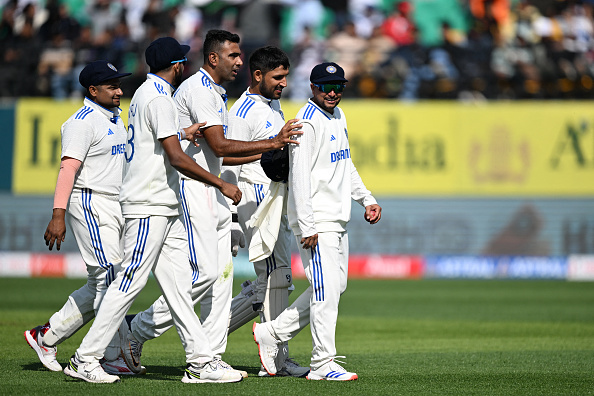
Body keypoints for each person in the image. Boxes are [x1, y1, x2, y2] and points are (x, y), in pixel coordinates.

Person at [120, 30, 301, 377]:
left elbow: (222, 154)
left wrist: (267, 152)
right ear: (214, 58)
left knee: (221, 279)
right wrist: (272, 143)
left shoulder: (215, 93)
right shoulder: (200, 90)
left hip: (213, 190)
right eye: (233, 55)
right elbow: (219, 147)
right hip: (193, 188)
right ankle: (138, 329)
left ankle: (210, 357)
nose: (239, 62)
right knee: (203, 275)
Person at [64, 36, 243, 384]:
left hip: (162, 203)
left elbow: (164, 144)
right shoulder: (159, 98)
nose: (185, 66)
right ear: (176, 66)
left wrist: (187, 131)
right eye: (183, 62)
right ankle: (85, 359)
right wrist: (219, 182)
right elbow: (175, 157)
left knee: (185, 284)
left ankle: (200, 362)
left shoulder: (151, 95)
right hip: (148, 203)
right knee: (129, 282)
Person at [252, 62, 382, 381]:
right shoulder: (306, 123)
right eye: (326, 86)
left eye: (339, 86)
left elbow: (344, 162)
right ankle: (323, 363)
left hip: (337, 218)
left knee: (335, 288)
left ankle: (272, 333)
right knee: (324, 293)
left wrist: (366, 198)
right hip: (317, 222)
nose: (333, 92)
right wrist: (306, 226)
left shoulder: (338, 116)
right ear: (313, 88)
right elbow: (298, 178)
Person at [24, 60, 138, 376]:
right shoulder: (82, 122)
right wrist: (57, 214)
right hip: (89, 201)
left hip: (114, 205)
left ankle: (45, 337)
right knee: (110, 280)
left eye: (119, 84)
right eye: (112, 86)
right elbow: (68, 169)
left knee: (102, 282)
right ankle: (106, 356)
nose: (119, 90)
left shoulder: (115, 118)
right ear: (93, 90)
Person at [220, 45, 309, 377]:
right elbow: (225, 160)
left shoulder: (271, 103)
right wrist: (231, 218)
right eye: (278, 77)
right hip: (254, 202)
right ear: (257, 75)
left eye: (285, 76)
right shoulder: (242, 112)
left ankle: (204, 338)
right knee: (277, 277)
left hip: (273, 198)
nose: (284, 83)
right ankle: (277, 359)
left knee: (270, 282)